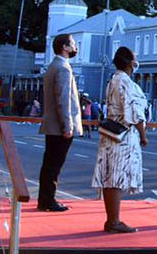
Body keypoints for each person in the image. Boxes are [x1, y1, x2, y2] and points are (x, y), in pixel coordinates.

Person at [92, 47, 147, 234]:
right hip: (124, 133)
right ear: (130, 62)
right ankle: (114, 220)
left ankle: (112, 219)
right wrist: (143, 135)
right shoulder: (125, 82)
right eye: (135, 58)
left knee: (110, 174)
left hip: (111, 131)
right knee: (116, 175)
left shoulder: (113, 80)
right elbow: (134, 113)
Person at [38, 33, 82, 212]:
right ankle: (49, 200)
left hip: (52, 124)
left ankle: (45, 199)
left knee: (49, 164)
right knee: (54, 165)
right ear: (65, 47)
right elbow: (63, 99)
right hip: (60, 126)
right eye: (72, 43)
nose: (75, 46)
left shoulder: (53, 66)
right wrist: (68, 126)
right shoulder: (63, 68)